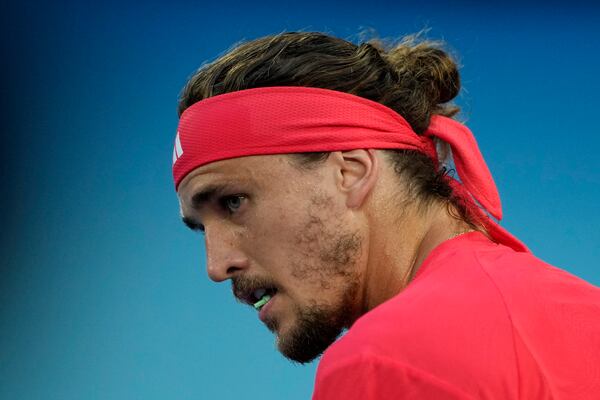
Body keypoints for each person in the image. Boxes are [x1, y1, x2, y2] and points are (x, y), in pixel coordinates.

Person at [172, 32, 600, 399]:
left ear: (350, 172)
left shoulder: (386, 361)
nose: (216, 265)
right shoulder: (583, 310)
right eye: (201, 227)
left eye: (233, 202)